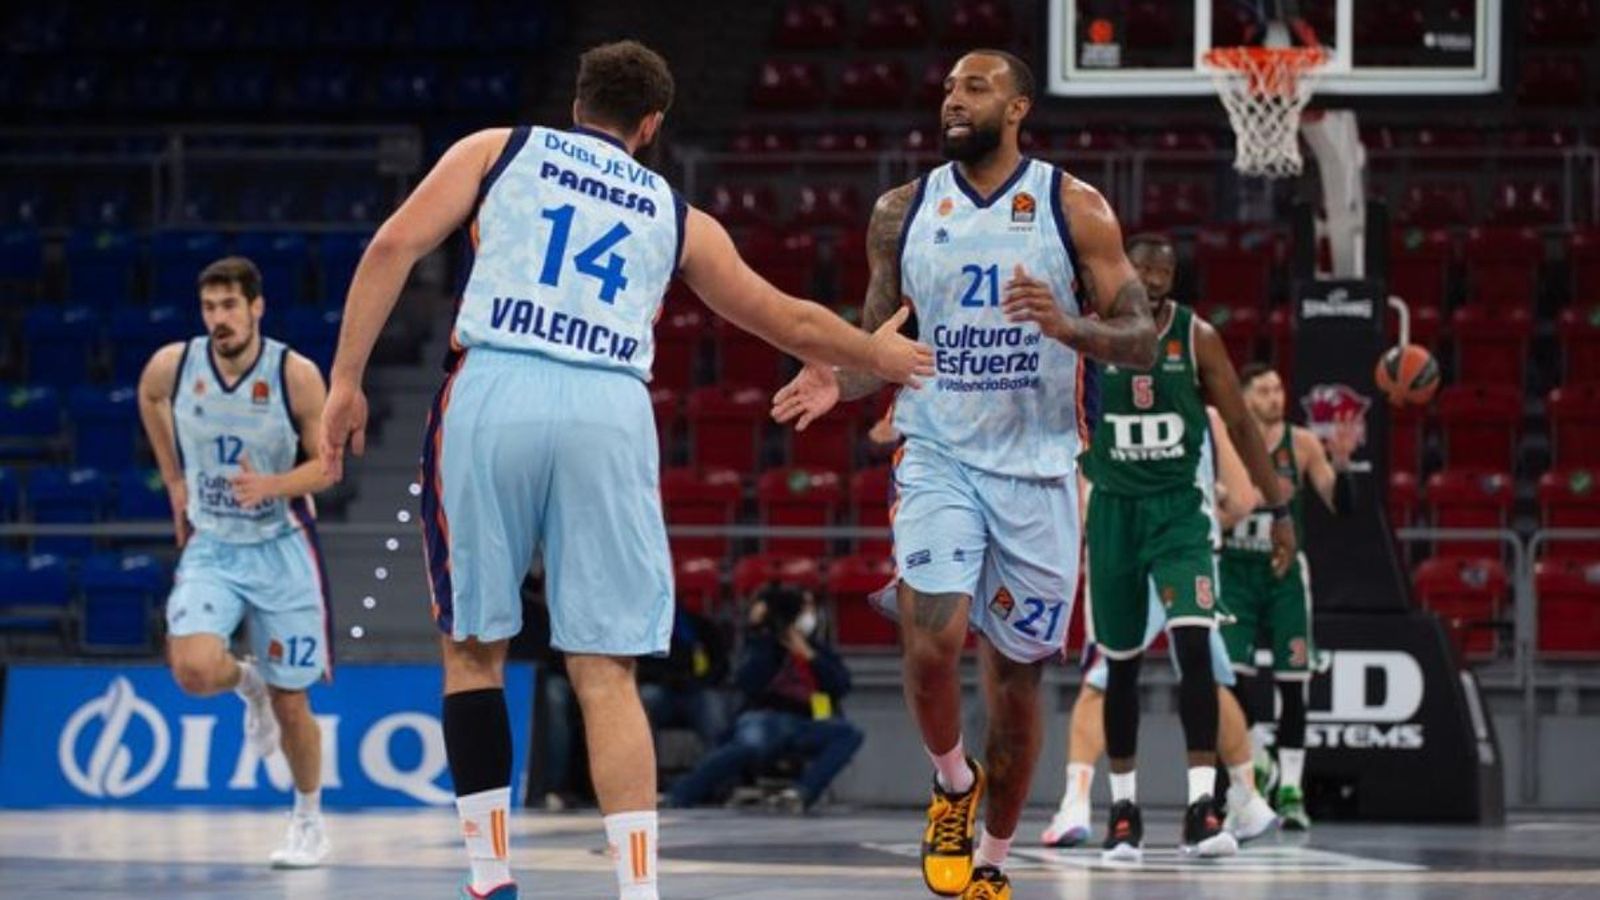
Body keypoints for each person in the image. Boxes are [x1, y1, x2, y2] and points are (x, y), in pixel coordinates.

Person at [319, 40, 933, 900]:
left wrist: (347, 382)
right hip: (609, 406)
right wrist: (878, 355)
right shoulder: (678, 213)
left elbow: (391, 247)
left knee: (471, 648)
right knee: (605, 669)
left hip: (495, 385)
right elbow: (784, 316)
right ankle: (637, 890)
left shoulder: (498, 149)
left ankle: (491, 878)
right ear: (650, 127)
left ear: (577, 103)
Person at [773, 50, 1157, 899]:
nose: (952, 98)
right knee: (931, 641)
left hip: (1039, 469)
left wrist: (1067, 326)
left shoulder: (1074, 207)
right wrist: (840, 375)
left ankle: (994, 861)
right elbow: (883, 347)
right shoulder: (900, 212)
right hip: (937, 453)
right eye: (946, 86)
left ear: (1018, 107)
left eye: (974, 87)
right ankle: (953, 783)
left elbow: (1142, 339)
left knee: (1016, 684)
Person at [1077, 232, 1296, 861]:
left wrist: (1278, 507)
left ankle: (1204, 806)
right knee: (1119, 665)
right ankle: (1123, 811)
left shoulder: (1196, 338)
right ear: (1119, 271)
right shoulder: (1089, 336)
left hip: (1180, 515)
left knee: (1195, 648)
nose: (1148, 278)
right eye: (1138, 267)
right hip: (1114, 512)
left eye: (1160, 271)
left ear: (1171, 281)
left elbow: (1240, 423)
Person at [135, 255, 335, 868]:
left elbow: (327, 467)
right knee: (192, 668)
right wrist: (173, 479)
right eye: (209, 308)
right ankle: (245, 684)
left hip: (279, 546)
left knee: (293, 702)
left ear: (256, 307)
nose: (218, 319)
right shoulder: (175, 364)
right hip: (214, 545)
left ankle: (308, 820)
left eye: (229, 306)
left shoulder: (294, 374)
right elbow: (148, 396)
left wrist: (271, 485)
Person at [1041, 404, 1280, 849]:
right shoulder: (1205, 412)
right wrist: (1213, 514)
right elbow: (1247, 499)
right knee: (1206, 673)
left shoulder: (1098, 395)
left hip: (1124, 540)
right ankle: (1247, 797)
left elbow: (1073, 485)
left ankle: (1077, 802)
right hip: (1188, 545)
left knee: (1105, 674)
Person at [1222, 363, 1358, 832]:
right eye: (1263, 390)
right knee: (1231, 679)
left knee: (1292, 680)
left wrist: (1341, 465)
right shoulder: (1225, 438)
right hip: (1234, 570)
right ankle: (1259, 754)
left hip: (1281, 576)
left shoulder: (1301, 444)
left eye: (1279, 388)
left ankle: (1292, 789)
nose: (1275, 397)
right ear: (1243, 395)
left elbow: (1340, 506)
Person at [665, 586, 863, 812]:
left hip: (806, 723)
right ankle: (681, 794)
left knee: (849, 733)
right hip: (767, 718)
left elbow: (842, 684)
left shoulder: (817, 648)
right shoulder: (764, 644)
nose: (810, 614)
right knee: (749, 744)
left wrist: (810, 656)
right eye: (804, 608)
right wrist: (762, 633)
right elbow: (748, 682)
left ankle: (799, 794)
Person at [637, 605, 731, 757]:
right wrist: (664, 677)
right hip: (660, 690)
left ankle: (715, 771)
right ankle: (648, 771)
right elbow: (637, 667)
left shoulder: (699, 626)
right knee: (645, 702)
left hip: (696, 691)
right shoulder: (645, 629)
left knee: (713, 709)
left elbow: (720, 664)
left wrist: (700, 681)